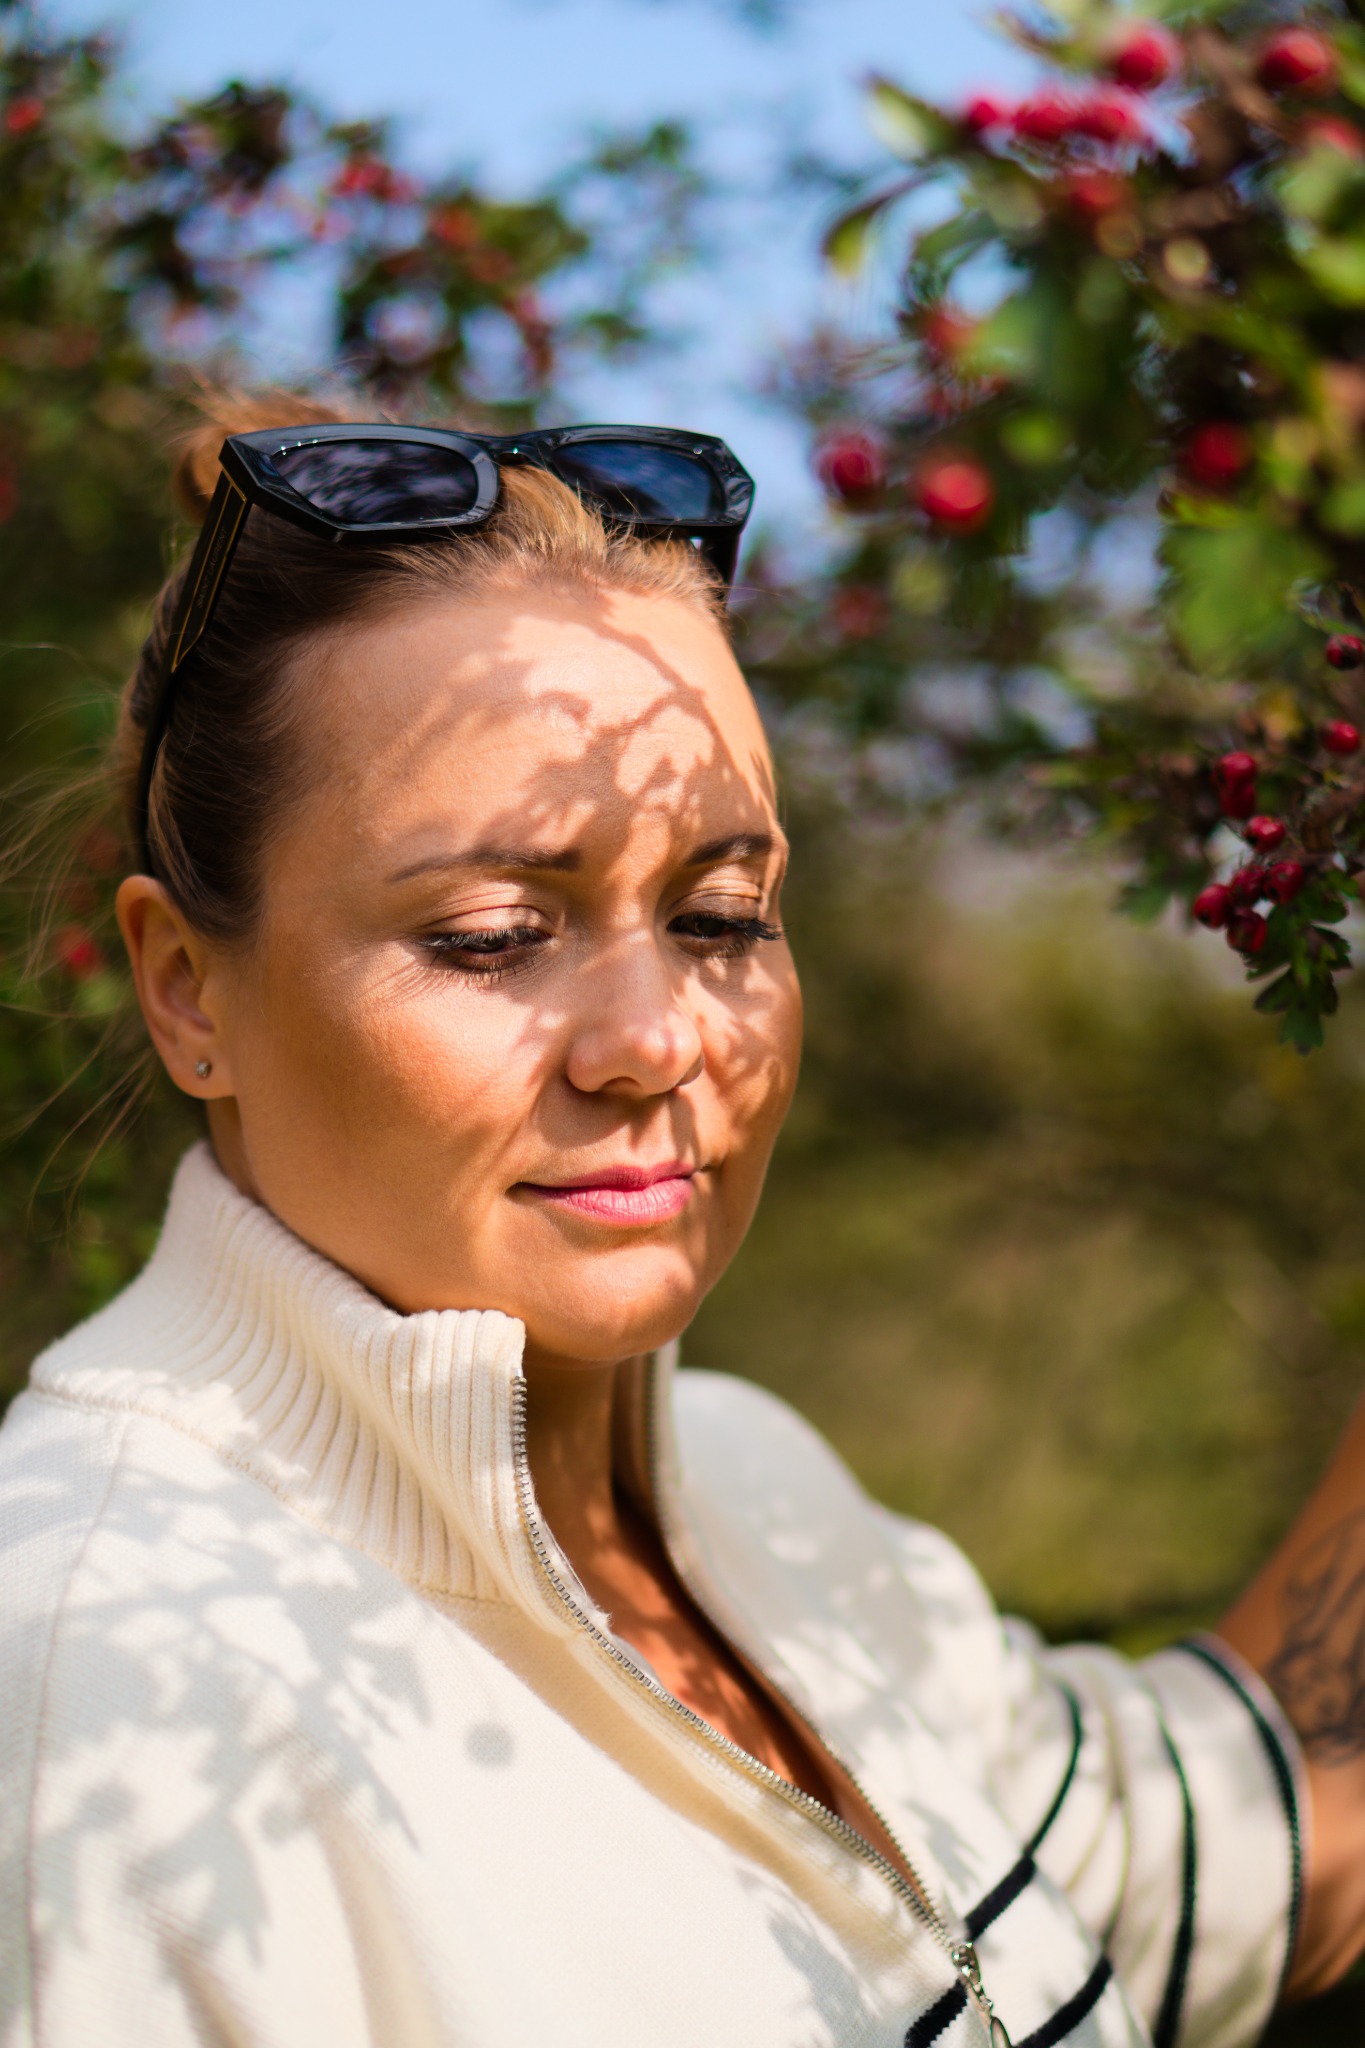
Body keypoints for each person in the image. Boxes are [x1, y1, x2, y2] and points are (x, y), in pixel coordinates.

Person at [0, 395, 1362, 2048]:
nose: (658, 1040)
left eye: (723, 912)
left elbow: (1228, 1846)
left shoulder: (755, 1489)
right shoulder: (93, 1696)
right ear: (182, 987)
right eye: (496, 933)